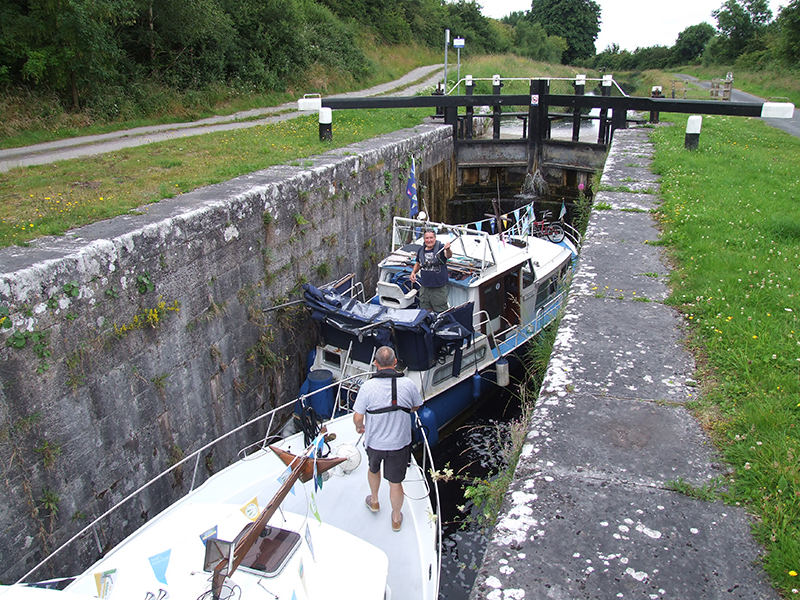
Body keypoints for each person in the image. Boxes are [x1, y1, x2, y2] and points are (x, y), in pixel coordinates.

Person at [353, 346, 423, 532]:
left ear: (375, 364)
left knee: (373, 469)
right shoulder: (408, 384)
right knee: (395, 482)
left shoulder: (367, 387)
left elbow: (358, 417)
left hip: (375, 442)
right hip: (399, 444)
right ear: (395, 362)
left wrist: (360, 428)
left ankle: (374, 501)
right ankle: (396, 517)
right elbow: (417, 405)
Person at [409, 229, 452, 313]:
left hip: (438, 288)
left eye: (431, 238)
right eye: (427, 238)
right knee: (425, 311)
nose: (429, 240)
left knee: (441, 311)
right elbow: (418, 263)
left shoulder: (441, 248)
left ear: (435, 238)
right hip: (424, 287)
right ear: (424, 239)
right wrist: (413, 272)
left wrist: (448, 249)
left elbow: (448, 255)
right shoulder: (421, 250)